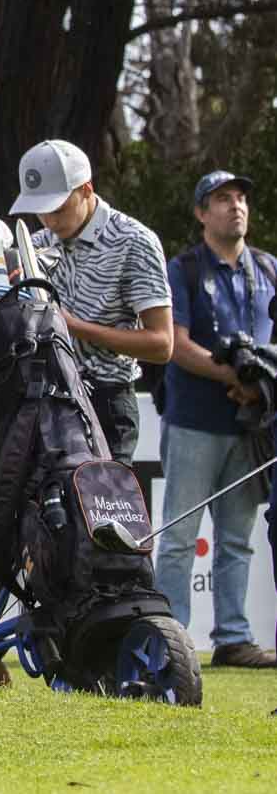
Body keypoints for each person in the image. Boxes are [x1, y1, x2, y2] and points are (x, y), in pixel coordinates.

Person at [150, 170, 276, 668]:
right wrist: (234, 374)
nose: (236, 206)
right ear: (202, 213)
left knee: (237, 540)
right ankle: (173, 636)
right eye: (223, 199)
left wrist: (258, 384)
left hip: (251, 423)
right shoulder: (182, 269)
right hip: (194, 420)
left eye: (241, 198)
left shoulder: (267, 268)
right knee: (180, 536)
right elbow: (177, 345)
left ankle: (234, 638)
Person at [9, 139, 173, 465]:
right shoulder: (35, 244)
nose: (49, 221)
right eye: (40, 210)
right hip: (43, 400)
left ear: (86, 189)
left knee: (101, 501)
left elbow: (162, 345)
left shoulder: (134, 241)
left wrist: (74, 327)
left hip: (107, 402)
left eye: (58, 208)